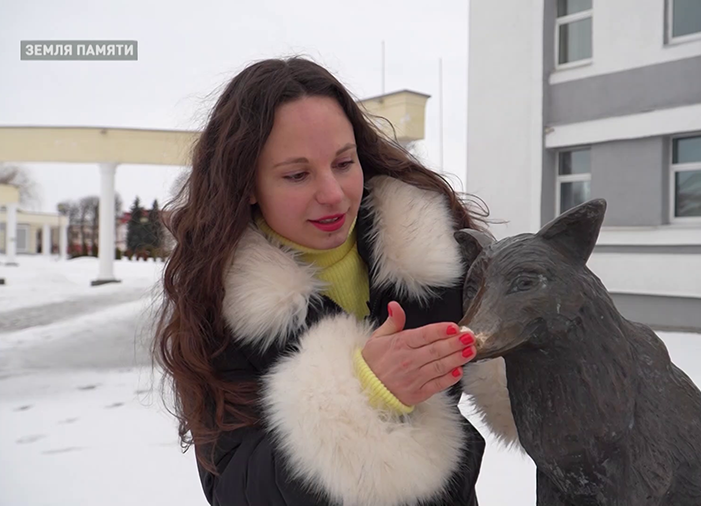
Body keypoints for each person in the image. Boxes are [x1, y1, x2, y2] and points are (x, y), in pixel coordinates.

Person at [152, 56, 516, 506]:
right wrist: (364, 394)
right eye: (297, 175)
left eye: (344, 163)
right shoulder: (217, 303)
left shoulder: (437, 257)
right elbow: (233, 487)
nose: (332, 194)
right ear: (246, 185)